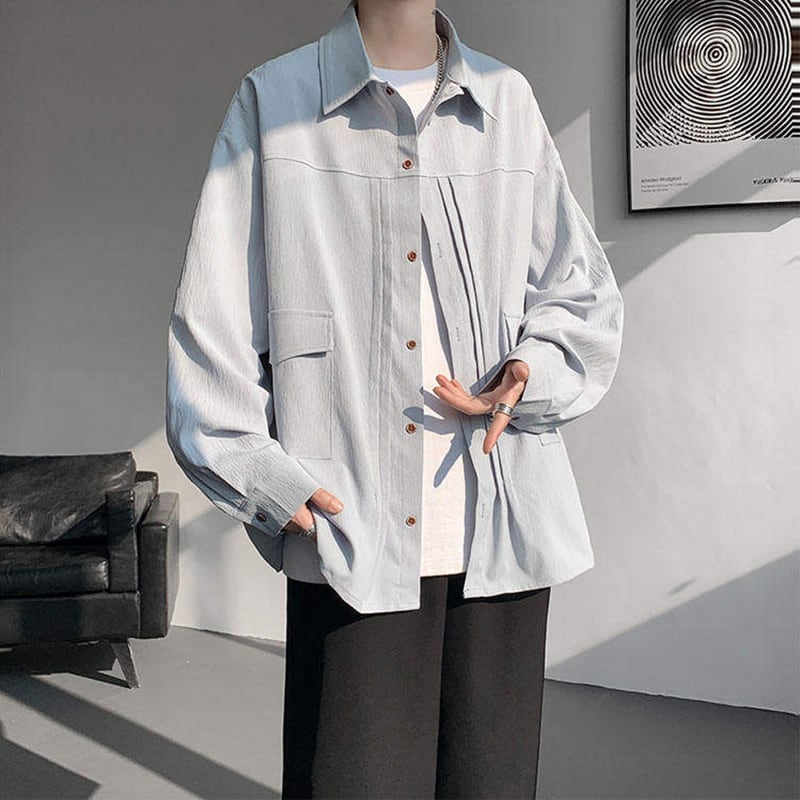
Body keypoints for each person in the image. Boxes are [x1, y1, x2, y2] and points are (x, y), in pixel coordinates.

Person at [165, 0, 624, 796]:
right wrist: (263, 478)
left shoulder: (505, 99)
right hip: (350, 529)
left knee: (491, 783)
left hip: (501, 523)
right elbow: (213, 320)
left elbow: (579, 289)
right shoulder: (275, 99)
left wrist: (531, 368)